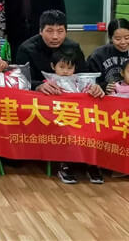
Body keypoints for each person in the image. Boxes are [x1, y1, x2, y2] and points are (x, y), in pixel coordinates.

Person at [46, 49, 104, 185]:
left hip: (80, 117)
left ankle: (92, 164)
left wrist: (94, 90)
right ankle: (65, 165)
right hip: (60, 117)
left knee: (94, 128)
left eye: (70, 68)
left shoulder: (80, 82)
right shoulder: (49, 82)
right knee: (67, 131)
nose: (65, 71)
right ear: (53, 66)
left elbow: (88, 94)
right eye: (62, 67)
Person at [15, 10, 103, 97]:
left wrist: (93, 87)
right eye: (50, 31)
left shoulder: (73, 47)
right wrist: (38, 86)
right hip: (37, 98)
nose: (55, 36)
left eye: (60, 31)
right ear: (40, 31)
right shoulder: (26, 49)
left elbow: (84, 75)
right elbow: (21, 80)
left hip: (67, 97)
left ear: (66, 31)